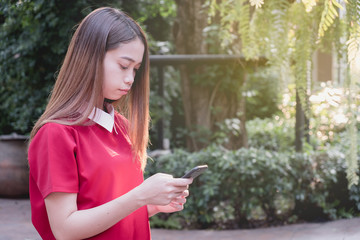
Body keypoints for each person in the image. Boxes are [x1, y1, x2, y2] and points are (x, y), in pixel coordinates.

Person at [27, 7, 192, 240]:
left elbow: (109, 210)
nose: (130, 79)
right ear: (90, 58)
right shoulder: (56, 134)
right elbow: (65, 229)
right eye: (124, 66)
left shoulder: (121, 126)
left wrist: (151, 206)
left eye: (135, 69)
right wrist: (140, 196)